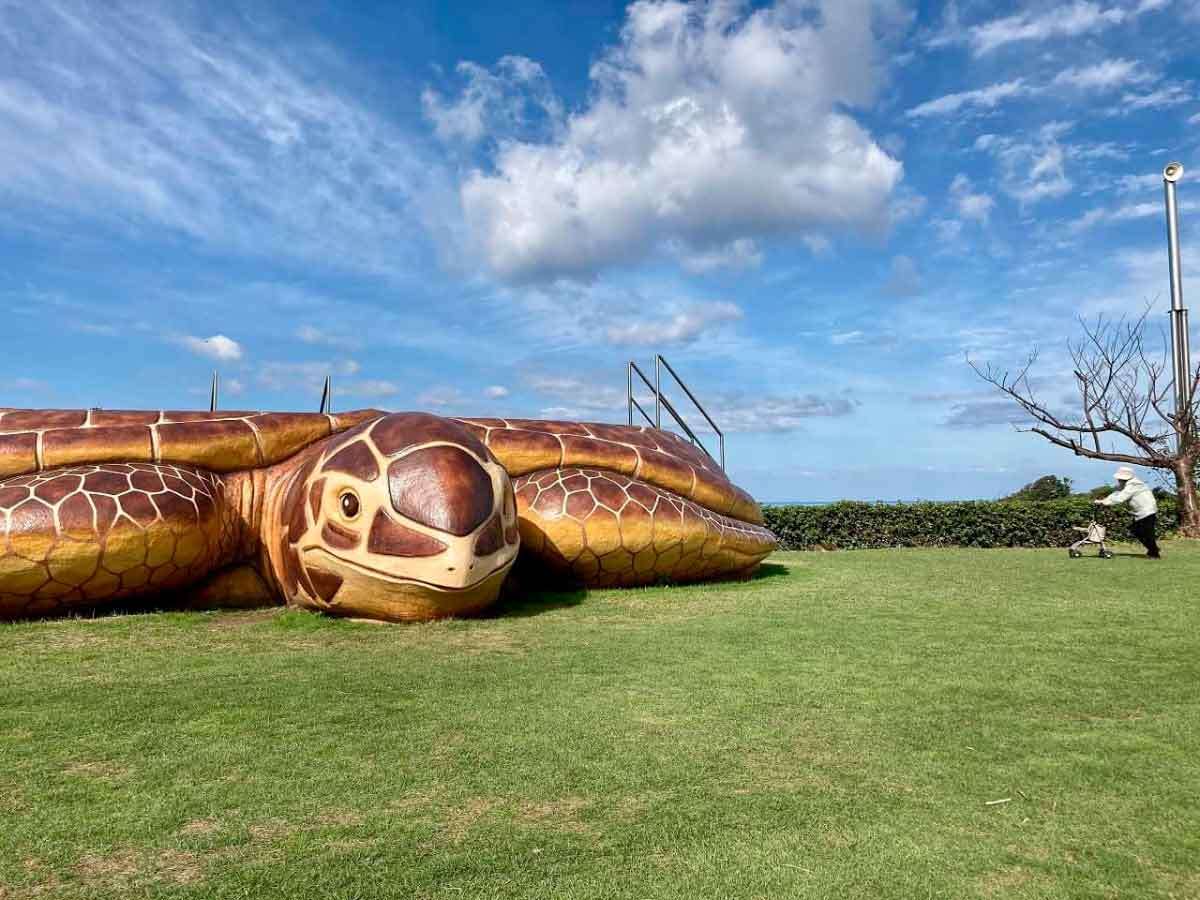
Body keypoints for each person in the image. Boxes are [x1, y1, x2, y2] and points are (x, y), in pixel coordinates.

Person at [1094, 466, 1160, 559]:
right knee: (1138, 531)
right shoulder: (1126, 484)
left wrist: (1104, 502)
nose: (1118, 480)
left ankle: (1154, 553)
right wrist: (1105, 500)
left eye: (1120, 478)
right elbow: (1116, 494)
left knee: (1145, 532)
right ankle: (1153, 550)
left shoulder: (1134, 484)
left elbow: (1121, 498)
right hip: (1141, 512)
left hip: (1148, 511)